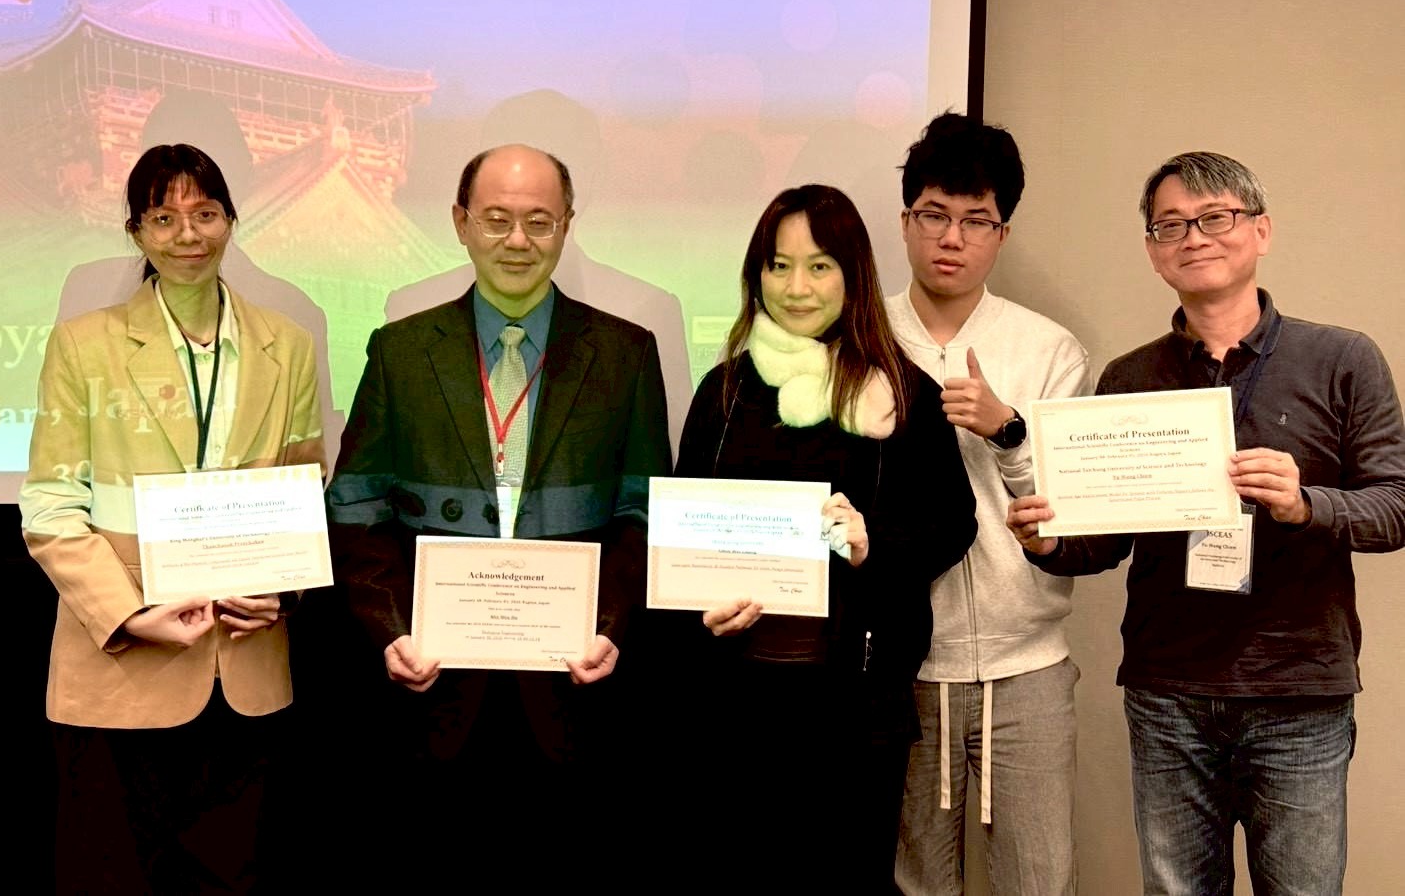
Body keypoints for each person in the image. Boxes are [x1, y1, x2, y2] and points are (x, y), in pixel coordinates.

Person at [1006, 151, 1405, 895]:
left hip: (1298, 691)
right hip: (1169, 692)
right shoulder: (1129, 378)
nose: (1193, 237)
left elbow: (1394, 506)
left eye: (1214, 217)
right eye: (1171, 226)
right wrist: (1049, 541)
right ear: (1153, 252)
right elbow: (1104, 540)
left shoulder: (1341, 358)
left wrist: (1305, 504)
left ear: (1261, 231)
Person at [326, 143, 671, 887]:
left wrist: (609, 627)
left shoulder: (625, 354)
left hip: (572, 684)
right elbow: (356, 502)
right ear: (461, 222)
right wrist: (392, 631)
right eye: (496, 220)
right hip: (434, 683)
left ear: (567, 225)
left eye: (539, 222)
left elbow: (643, 508)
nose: (518, 241)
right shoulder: (400, 352)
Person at [20, 142, 325, 893]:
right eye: (164, 218)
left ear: (230, 222)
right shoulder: (84, 344)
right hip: (121, 668)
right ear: (137, 232)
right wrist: (129, 615)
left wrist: (281, 589)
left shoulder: (286, 345)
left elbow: (304, 484)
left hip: (246, 667)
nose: (188, 234)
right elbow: (51, 501)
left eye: (205, 213)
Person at [668, 183, 976, 892]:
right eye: (778, 266)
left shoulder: (904, 392)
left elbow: (952, 524)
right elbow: (682, 529)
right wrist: (700, 611)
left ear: (852, 274)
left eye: (818, 266)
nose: (796, 287)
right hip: (733, 698)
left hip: (853, 703)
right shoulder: (724, 391)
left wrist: (874, 545)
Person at [889, 114, 1090, 895]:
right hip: (902, 664)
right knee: (914, 883)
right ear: (905, 220)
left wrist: (1007, 430)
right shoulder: (861, 336)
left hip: (1026, 665)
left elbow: (1072, 517)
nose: (952, 238)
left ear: (1001, 234)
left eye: (976, 220)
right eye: (933, 215)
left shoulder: (1049, 349)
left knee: (1038, 881)